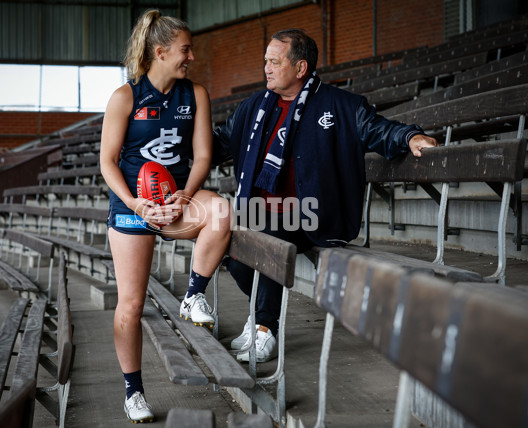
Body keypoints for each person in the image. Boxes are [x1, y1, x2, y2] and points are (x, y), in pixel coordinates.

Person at [214, 28, 438, 363]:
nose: (267, 68)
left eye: (275, 62)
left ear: (300, 68)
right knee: (225, 237)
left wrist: (410, 138)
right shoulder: (254, 108)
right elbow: (218, 142)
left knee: (269, 233)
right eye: (266, 61)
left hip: (313, 213)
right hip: (259, 211)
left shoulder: (340, 105)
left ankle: (265, 328)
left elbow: (378, 130)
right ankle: (256, 311)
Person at [100, 10, 231, 423]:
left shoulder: (196, 95)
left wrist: (183, 196)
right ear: (160, 52)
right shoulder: (125, 97)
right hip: (135, 206)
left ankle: (193, 297)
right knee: (131, 305)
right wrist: (137, 203)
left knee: (222, 211)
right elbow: (107, 162)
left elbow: (204, 155)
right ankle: (133, 392)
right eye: (185, 49)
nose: (191, 56)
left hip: (174, 200)